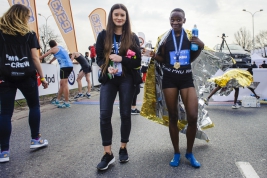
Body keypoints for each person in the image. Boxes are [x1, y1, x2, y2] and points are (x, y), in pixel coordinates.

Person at [151, 8, 204, 168]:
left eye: (178, 20)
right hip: (170, 79)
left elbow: (191, 58)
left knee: (193, 116)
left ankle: (189, 152)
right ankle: (176, 152)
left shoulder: (190, 37)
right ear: (169, 20)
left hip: (186, 78)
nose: (175, 22)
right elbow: (161, 58)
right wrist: (153, 55)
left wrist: (200, 47)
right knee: (173, 116)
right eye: (172, 19)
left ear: (184, 21)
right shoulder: (165, 38)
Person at [0, 4, 49, 163]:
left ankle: (4, 151)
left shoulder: (1, 32)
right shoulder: (29, 34)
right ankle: (35, 139)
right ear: (22, 17)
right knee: (34, 106)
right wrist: (42, 77)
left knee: (6, 113)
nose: (28, 20)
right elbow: (35, 58)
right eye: (27, 17)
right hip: (27, 75)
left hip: (6, 76)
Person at [95, 3, 141, 170]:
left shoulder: (132, 37)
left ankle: (123, 148)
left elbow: (138, 61)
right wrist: (106, 67)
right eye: (116, 15)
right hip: (109, 78)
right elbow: (99, 58)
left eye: (122, 15)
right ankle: (108, 154)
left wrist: (122, 60)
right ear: (111, 16)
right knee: (105, 115)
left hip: (126, 79)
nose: (119, 18)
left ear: (126, 17)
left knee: (125, 113)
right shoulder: (103, 35)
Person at [40, 40, 73, 108]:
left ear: (50, 46)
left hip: (64, 67)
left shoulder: (53, 49)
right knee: (61, 84)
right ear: (56, 43)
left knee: (65, 84)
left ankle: (66, 102)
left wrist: (35, 59)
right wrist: (51, 61)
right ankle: (57, 100)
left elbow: (44, 55)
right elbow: (56, 56)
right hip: (70, 66)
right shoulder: (60, 47)